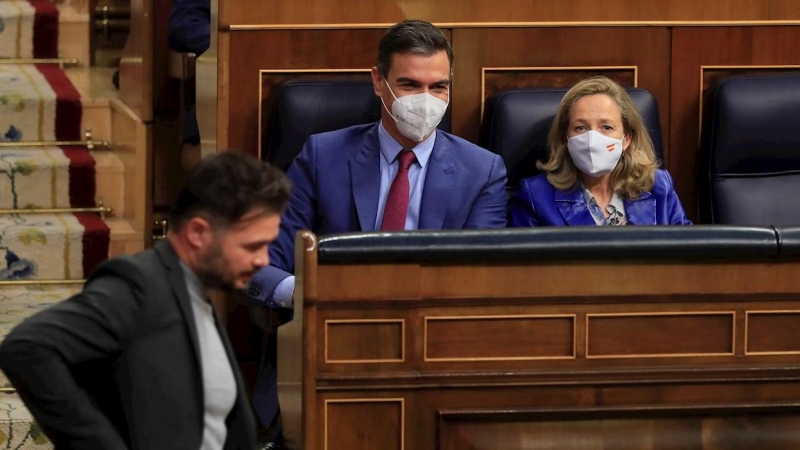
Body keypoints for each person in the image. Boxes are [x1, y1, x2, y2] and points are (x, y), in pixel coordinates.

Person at [246, 18, 508, 442]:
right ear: (378, 82)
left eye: (438, 87)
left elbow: (479, 280)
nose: (426, 101)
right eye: (409, 85)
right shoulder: (322, 155)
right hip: (331, 349)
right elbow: (259, 261)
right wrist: (306, 293)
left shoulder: (482, 171)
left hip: (434, 358)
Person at [0, 151, 291, 450]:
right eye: (253, 245)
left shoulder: (197, 289)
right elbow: (26, 347)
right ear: (198, 233)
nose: (263, 260)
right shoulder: (139, 284)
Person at [509, 76, 692, 226]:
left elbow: (686, 256)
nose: (592, 140)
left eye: (606, 127)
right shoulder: (535, 196)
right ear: (566, 138)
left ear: (626, 139)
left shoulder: (659, 187)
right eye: (581, 128)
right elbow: (523, 268)